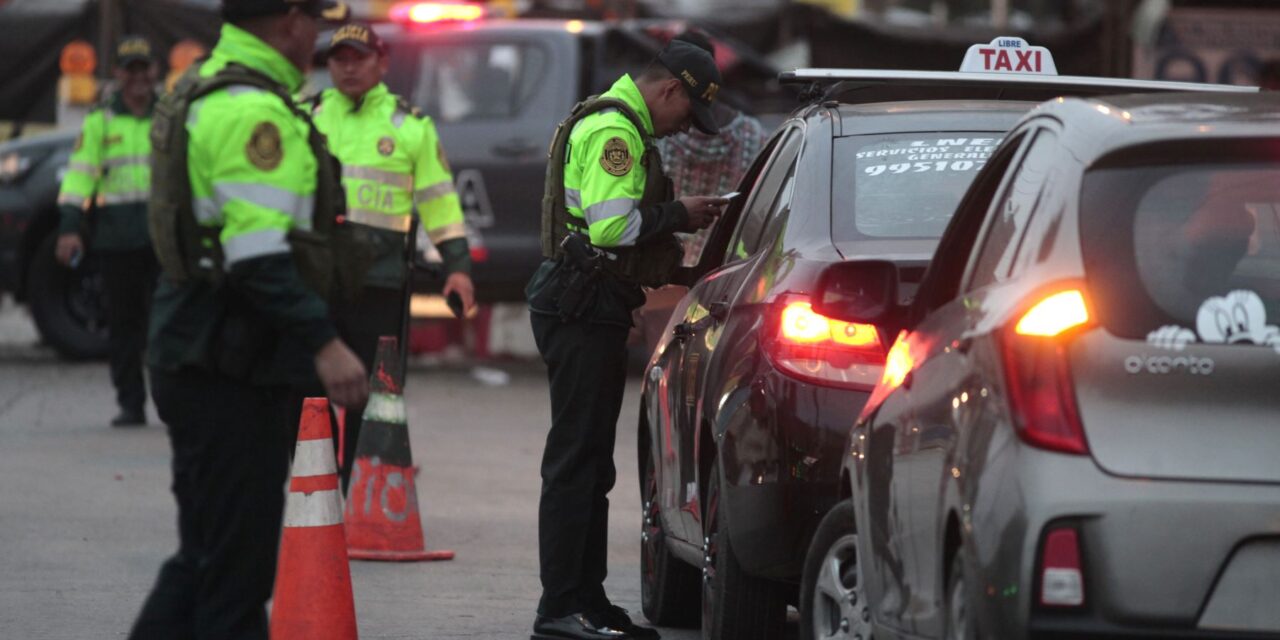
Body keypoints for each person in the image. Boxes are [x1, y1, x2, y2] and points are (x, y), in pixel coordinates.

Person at [128, 1, 367, 638]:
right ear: (289, 20)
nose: (315, 35)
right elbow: (257, 256)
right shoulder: (253, 110)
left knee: (206, 561)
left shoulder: (216, 84)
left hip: (203, 350)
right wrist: (326, 343)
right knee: (235, 577)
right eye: (313, 21)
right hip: (228, 365)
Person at [525, 38, 728, 640]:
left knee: (591, 467)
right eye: (686, 112)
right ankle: (561, 609)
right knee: (575, 464)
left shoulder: (619, 126)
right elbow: (613, 228)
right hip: (583, 309)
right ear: (668, 90)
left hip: (592, 306)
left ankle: (587, 602)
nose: (682, 127)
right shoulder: (616, 133)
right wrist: (680, 214)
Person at [310, 22, 475, 486]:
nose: (348, 67)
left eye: (358, 58)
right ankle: (315, 493)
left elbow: (441, 202)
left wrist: (457, 268)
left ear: (381, 63)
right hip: (318, 277)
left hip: (381, 278)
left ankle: (360, 491)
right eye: (339, 59)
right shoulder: (308, 117)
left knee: (372, 394)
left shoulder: (410, 126)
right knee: (309, 396)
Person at [54, 35, 159, 427]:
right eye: (129, 69)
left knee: (169, 327)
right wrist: (69, 229)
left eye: (142, 69)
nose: (137, 77)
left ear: (154, 71)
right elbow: (79, 179)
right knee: (125, 329)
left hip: (162, 242)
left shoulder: (167, 117)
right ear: (117, 74)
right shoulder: (100, 122)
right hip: (117, 242)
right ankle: (131, 404)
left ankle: (170, 402)